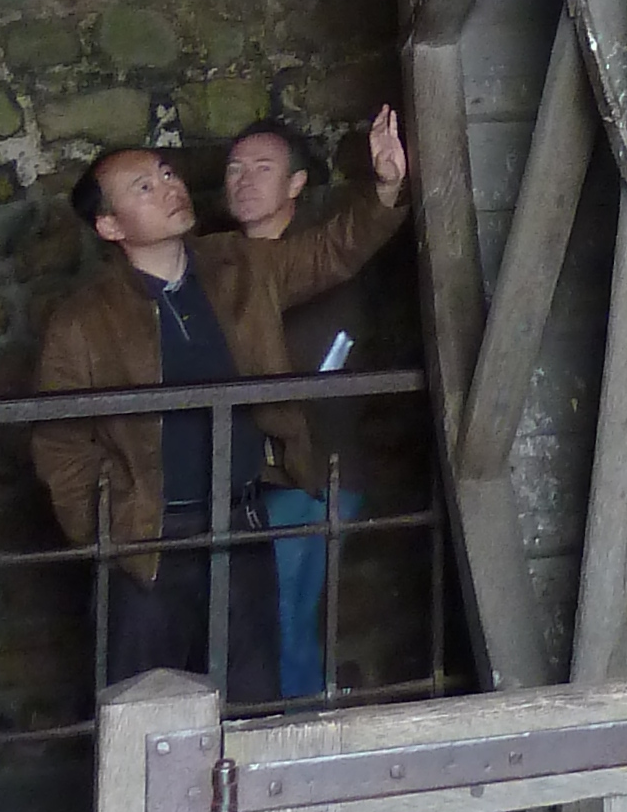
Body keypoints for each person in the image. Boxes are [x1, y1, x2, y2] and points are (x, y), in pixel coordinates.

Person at [32, 105, 409, 700]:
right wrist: (111, 527)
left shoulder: (236, 266)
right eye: (145, 187)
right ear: (110, 226)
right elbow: (60, 441)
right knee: (142, 707)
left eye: (168, 174)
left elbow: (329, 252)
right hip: (149, 539)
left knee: (251, 697)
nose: (170, 188)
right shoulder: (83, 321)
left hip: (241, 521)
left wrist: (386, 187)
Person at [219, 120, 376, 699]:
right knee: (264, 623)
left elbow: (321, 374)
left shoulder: (322, 268)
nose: (244, 180)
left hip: (311, 472)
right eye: (235, 168)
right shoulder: (220, 264)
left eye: (263, 169)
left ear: (296, 184)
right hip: (253, 476)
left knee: (280, 622)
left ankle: (296, 759)